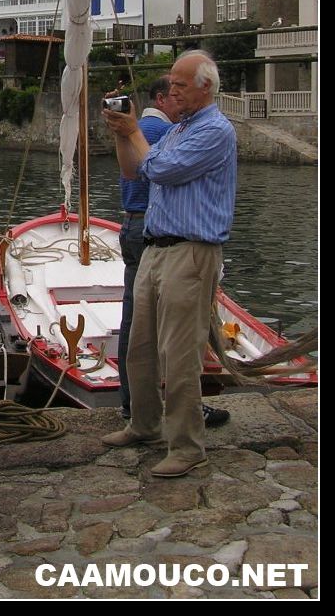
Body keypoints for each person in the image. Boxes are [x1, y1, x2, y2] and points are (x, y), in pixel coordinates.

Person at [101, 51, 237, 478]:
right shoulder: (178, 129)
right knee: (139, 345)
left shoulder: (215, 130)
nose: (172, 90)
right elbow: (132, 171)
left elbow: (162, 169)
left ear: (205, 88)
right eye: (171, 84)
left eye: (180, 84)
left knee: (179, 354)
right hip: (157, 248)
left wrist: (135, 130)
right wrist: (124, 133)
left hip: (191, 252)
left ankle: (187, 445)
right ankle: (143, 423)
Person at [114, 76, 180, 421]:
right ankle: (172, 403)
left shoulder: (138, 127)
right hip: (150, 227)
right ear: (161, 98)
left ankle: (131, 402)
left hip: (130, 223)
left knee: (134, 317)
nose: (180, 102)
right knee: (164, 319)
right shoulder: (162, 131)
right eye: (175, 95)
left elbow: (128, 172)